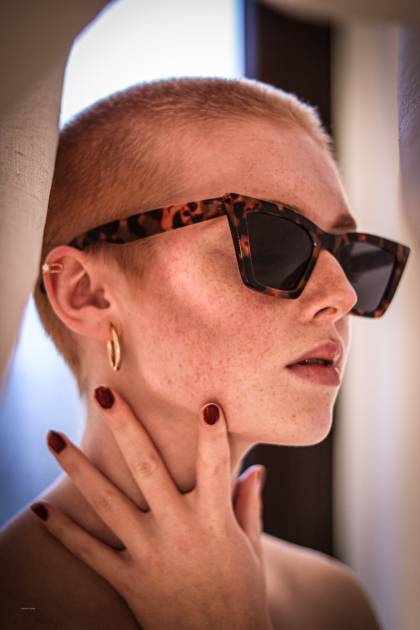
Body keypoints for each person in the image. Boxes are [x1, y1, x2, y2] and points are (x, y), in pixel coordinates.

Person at [0, 75, 399, 629]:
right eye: (271, 241)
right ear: (86, 292)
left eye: (349, 254)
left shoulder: (336, 604)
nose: (343, 295)